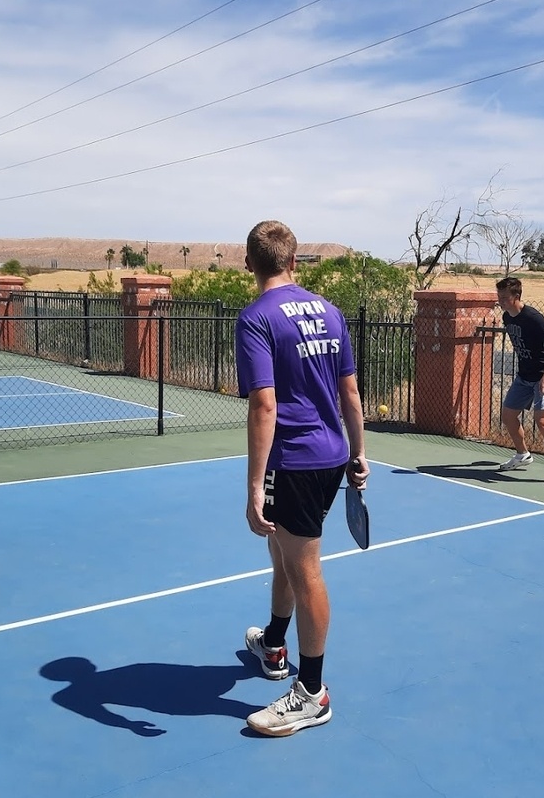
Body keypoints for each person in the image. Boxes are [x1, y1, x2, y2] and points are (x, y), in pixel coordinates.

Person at [234, 219, 368, 737]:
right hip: (330, 454)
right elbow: (350, 394)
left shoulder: (256, 319)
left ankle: (312, 692)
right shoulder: (329, 312)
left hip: (295, 462)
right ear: (294, 261)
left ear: (250, 263)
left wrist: (252, 487)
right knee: (284, 553)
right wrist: (359, 453)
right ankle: (273, 643)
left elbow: (264, 405)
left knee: (304, 565)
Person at [495, 276, 544, 486]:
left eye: (504, 297)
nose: (500, 301)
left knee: (543, 422)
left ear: (516, 297)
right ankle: (522, 454)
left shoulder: (533, 317)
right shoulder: (507, 318)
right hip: (524, 376)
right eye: (498, 297)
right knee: (508, 416)